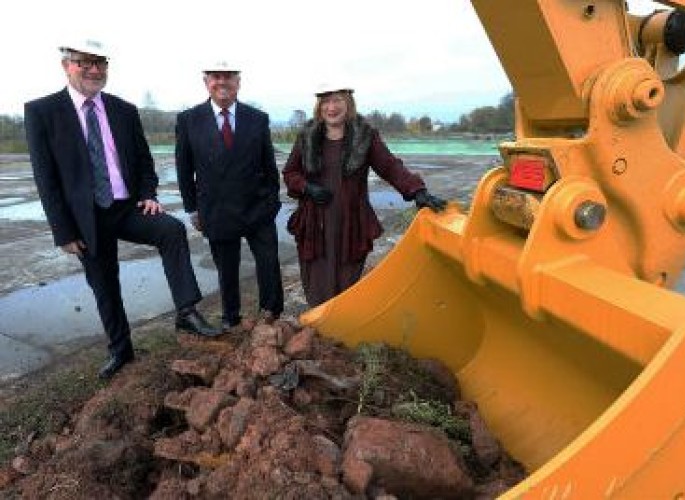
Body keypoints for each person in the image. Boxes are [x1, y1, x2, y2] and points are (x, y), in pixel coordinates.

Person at [24, 39, 220, 380]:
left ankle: (186, 311)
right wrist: (64, 231)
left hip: (127, 206)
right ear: (67, 65)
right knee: (104, 284)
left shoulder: (124, 109)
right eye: (85, 63)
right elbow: (46, 178)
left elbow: (144, 160)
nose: (95, 70)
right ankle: (121, 351)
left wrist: (148, 192)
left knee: (171, 230)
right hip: (86, 217)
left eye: (101, 63)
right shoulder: (42, 112)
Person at [282, 82, 447, 307]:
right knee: (317, 278)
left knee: (347, 278)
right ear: (319, 106)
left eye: (337, 100)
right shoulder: (307, 136)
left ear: (348, 102)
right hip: (316, 222)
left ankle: (342, 321)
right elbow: (291, 172)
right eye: (326, 101)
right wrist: (307, 188)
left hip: (352, 221)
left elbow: (389, 166)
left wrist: (417, 191)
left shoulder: (365, 135)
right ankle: (320, 322)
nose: (331, 107)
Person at [176, 61, 284, 332]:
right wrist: (192, 209)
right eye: (215, 76)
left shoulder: (257, 118)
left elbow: (269, 166)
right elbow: (184, 168)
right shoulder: (189, 120)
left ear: (239, 82)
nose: (222, 82)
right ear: (206, 81)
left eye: (228, 76)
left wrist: (272, 202)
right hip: (216, 209)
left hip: (258, 207)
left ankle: (271, 314)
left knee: (269, 263)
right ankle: (231, 318)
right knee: (226, 269)